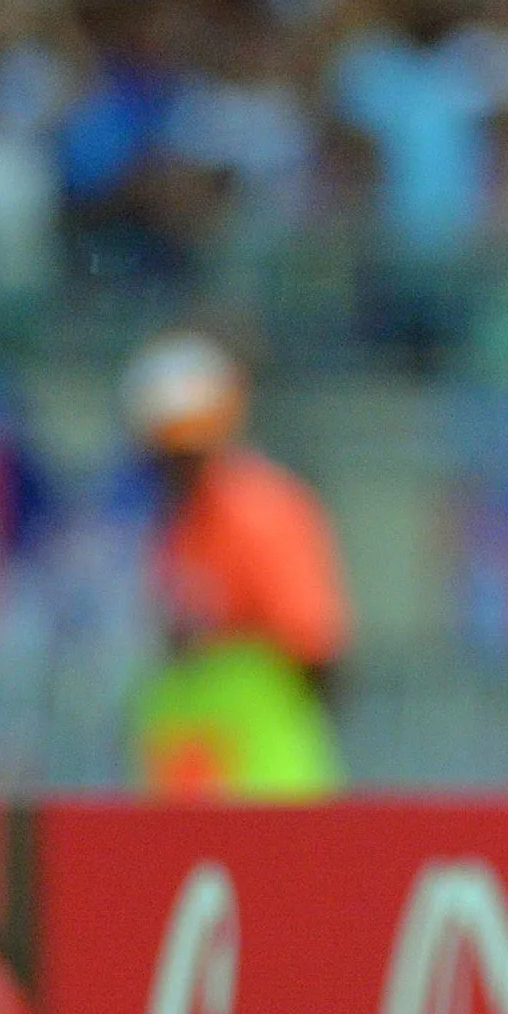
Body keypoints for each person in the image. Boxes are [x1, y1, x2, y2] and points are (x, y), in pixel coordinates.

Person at [122, 330, 350, 797]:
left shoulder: (261, 511)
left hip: (265, 787)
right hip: (193, 784)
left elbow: (316, 645)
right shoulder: (173, 523)